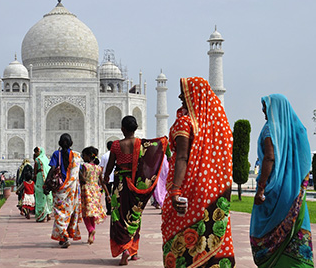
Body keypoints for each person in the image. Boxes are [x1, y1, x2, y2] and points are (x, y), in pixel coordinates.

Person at [161, 77, 235, 267]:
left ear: (194, 95)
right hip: (213, 191)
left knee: (181, 240)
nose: (180, 96)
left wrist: (176, 191)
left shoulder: (185, 123)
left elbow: (182, 158)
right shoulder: (218, 126)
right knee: (209, 235)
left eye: (184, 92)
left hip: (189, 189)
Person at [250, 94, 314, 267]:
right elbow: (304, 159)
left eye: (266, 107)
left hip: (275, 190)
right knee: (294, 233)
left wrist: (261, 188)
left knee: (265, 230)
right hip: (293, 191)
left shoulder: (270, 129)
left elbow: (269, 158)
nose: (263, 111)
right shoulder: (295, 130)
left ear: (276, 108)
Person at [104, 115, 168, 265]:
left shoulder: (115, 145)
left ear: (122, 129)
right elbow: (149, 160)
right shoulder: (141, 144)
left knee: (118, 216)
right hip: (135, 185)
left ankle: (124, 249)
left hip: (120, 186)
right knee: (134, 216)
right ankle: (133, 251)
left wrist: (106, 177)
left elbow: (111, 165)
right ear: (136, 128)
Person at [48, 133, 82, 248]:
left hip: (60, 190)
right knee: (68, 213)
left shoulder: (56, 154)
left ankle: (65, 236)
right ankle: (63, 236)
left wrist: (46, 183)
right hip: (72, 190)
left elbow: (52, 170)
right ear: (71, 142)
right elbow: (80, 174)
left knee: (59, 213)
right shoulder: (76, 156)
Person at [80, 146, 108, 245]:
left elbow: (83, 180)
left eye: (83, 155)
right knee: (93, 214)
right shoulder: (98, 168)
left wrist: (78, 173)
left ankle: (91, 230)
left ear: (88, 156)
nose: (83, 157)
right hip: (96, 191)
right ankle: (92, 237)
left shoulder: (85, 166)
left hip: (86, 190)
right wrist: (107, 194)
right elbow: (102, 182)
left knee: (85, 214)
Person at [34, 147, 53, 222]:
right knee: (47, 195)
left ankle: (41, 216)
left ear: (39, 152)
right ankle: (48, 213)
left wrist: (34, 177)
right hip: (46, 179)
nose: (35, 154)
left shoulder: (37, 160)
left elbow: (35, 171)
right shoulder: (46, 159)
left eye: (36, 152)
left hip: (40, 178)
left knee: (40, 196)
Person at [100, 141, 114, 215]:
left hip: (107, 178)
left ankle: (109, 210)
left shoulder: (104, 156)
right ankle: (114, 209)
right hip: (115, 178)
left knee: (107, 194)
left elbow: (101, 168)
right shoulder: (116, 155)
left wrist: (101, 177)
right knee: (115, 194)